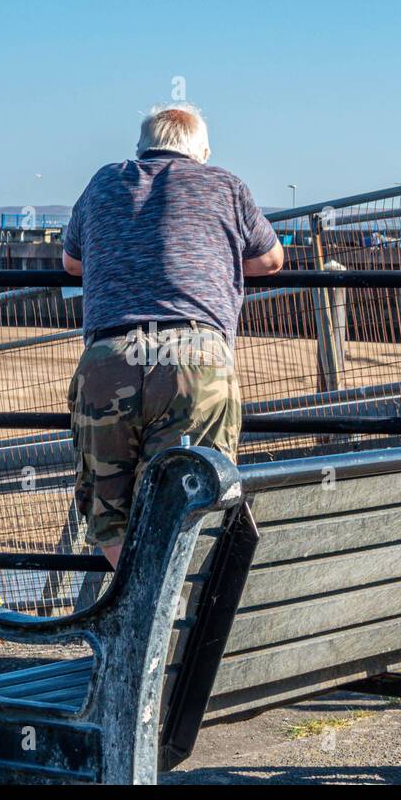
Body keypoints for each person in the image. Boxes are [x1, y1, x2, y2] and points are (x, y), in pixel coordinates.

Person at [62, 103, 284, 566]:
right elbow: (270, 261)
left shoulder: (105, 181)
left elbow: (72, 263)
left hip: (111, 353)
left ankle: (137, 613)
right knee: (191, 501)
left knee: (110, 511)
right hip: (196, 357)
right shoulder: (225, 184)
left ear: (141, 148)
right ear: (201, 151)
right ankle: (172, 620)